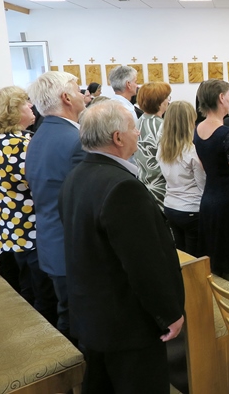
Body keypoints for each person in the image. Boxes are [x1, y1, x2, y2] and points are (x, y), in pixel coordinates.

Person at [58, 100, 184, 393]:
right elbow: (144, 264)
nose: (138, 133)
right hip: (128, 325)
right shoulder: (122, 187)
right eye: (133, 128)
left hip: (94, 315)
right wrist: (169, 314)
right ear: (117, 137)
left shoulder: (76, 176)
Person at [0, 86, 57, 326]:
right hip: (34, 234)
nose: (31, 106)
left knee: (26, 292)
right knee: (46, 298)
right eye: (25, 103)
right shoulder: (22, 144)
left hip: (8, 234)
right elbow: (42, 186)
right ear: (10, 112)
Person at [25, 71, 87, 342]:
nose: (83, 94)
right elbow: (84, 201)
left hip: (51, 241)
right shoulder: (75, 140)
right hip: (72, 248)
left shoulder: (38, 136)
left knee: (68, 314)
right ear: (66, 98)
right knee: (79, 322)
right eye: (78, 89)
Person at [194, 80, 229, 279]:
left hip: (209, 197)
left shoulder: (198, 128)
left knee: (215, 260)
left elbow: (203, 166)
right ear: (221, 98)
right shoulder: (227, 134)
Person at [158, 101, 206, 256]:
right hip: (191, 208)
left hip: (170, 205)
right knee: (194, 259)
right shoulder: (192, 152)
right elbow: (202, 185)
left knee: (181, 254)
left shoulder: (162, 148)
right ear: (189, 123)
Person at [136, 82, 171, 206]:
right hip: (161, 188)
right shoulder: (162, 126)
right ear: (159, 102)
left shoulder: (137, 122)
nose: (168, 101)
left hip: (143, 184)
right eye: (167, 97)